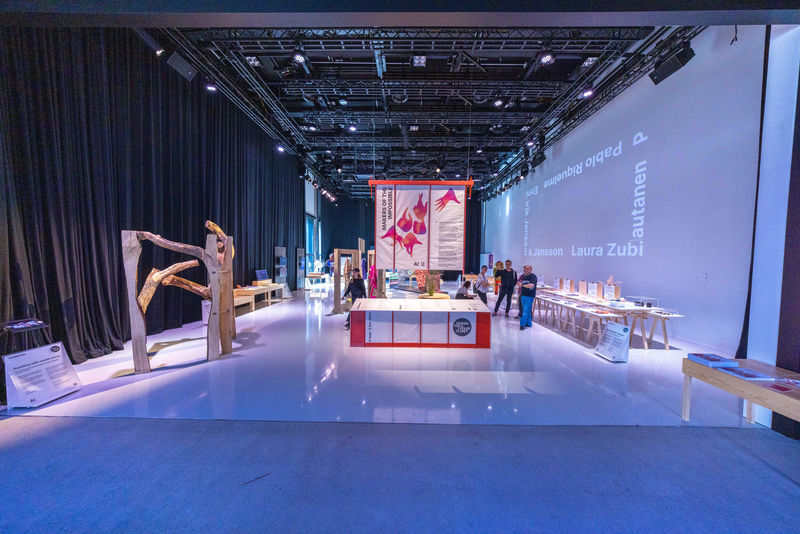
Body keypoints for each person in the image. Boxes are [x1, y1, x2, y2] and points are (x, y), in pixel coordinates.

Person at [517, 265, 538, 330]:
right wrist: (519, 284)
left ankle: (522, 325)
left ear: (531, 270)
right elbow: (518, 282)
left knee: (525, 311)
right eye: (524, 269)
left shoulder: (533, 276)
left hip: (529, 296)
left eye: (527, 269)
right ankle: (529, 323)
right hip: (523, 295)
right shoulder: (524, 276)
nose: (525, 270)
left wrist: (522, 285)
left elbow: (531, 285)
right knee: (527, 310)